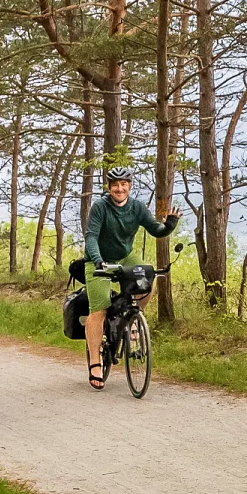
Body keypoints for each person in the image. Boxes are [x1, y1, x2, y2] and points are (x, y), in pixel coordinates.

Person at [84, 167, 181, 390]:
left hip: (125, 256)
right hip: (98, 259)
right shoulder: (100, 207)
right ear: (109, 187)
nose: (120, 188)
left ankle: (134, 319)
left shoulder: (137, 207)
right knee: (98, 309)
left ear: (129, 185)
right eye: (115, 185)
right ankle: (95, 362)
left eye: (123, 184)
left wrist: (169, 226)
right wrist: (98, 260)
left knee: (147, 278)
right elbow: (91, 236)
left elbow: (156, 230)